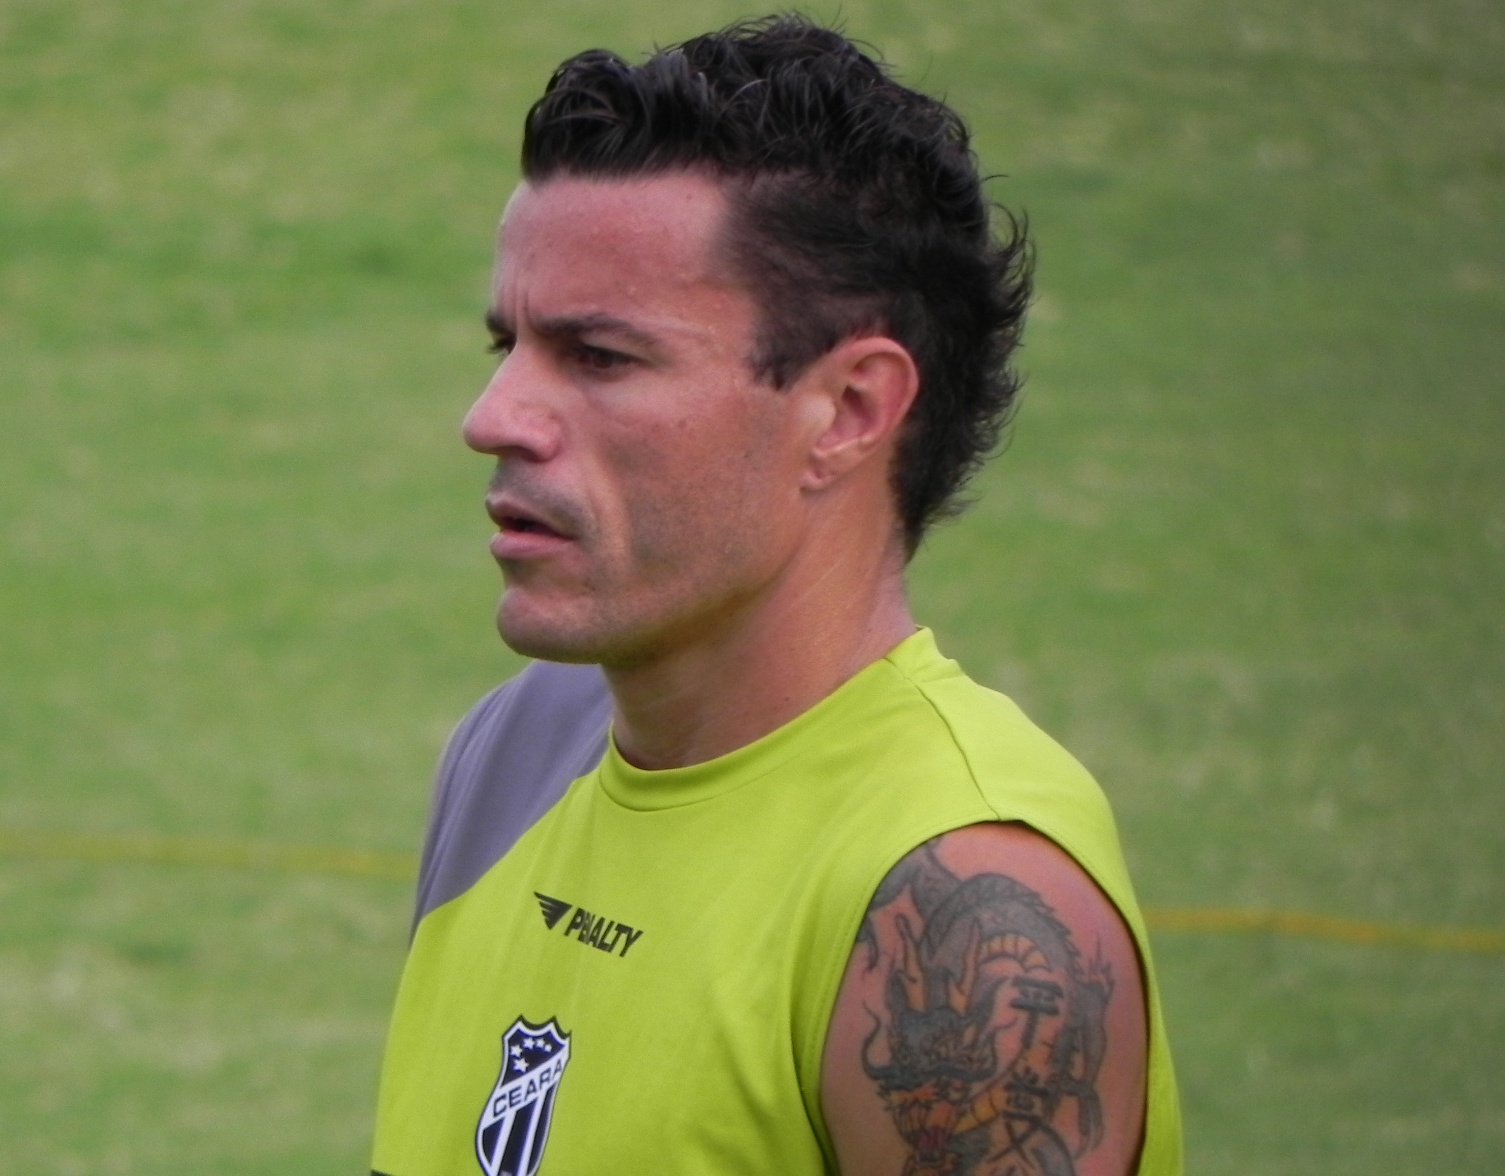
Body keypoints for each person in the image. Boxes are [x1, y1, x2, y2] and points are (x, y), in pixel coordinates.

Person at [370, 15, 1180, 1176]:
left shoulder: (956, 900)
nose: (493, 417)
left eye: (599, 357)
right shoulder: (514, 755)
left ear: (846, 412)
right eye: (508, 345)